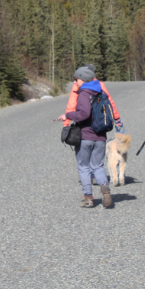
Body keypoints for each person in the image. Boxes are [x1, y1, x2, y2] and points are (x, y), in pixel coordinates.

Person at [57, 65, 113, 208]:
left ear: (83, 79)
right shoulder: (100, 93)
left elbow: (84, 114)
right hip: (101, 137)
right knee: (98, 166)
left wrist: (67, 115)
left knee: (84, 167)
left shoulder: (84, 93)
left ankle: (88, 197)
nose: (75, 83)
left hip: (86, 136)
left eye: (76, 80)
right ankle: (104, 186)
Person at [63, 64, 124, 134]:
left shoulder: (77, 85)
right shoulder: (99, 84)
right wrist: (117, 118)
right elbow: (109, 102)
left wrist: (66, 123)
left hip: (84, 124)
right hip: (99, 122)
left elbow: (72, 104)